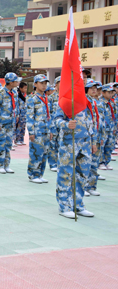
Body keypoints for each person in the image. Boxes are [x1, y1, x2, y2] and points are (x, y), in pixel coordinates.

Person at [53, 91, 95, 219]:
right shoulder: (65, 100)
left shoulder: (87, 101)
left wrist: (94, 140)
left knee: (82, 175)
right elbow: (56, 120)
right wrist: (66, 124)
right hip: (69, 142)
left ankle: (78, 204)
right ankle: (64, 206)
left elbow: (93, 121)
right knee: (66, 173)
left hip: (86, 142)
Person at [0, 73, 20, 174]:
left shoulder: (15, 93)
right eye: (16, 81)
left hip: (10, 122)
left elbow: (15, 106)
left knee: (8, 144)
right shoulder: (1, 93)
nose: (17, 83)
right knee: (0, 144)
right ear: (10, 82)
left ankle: (7, 165)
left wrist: (17, 116)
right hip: (2, 123)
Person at [26, 75, 52, 184]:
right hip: (37, 131)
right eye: (41, 83)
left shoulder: (47, 98)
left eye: (45, 83)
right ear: (35, 84)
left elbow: (49, 115)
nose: (44, 85)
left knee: (44, 153)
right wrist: (31, 132)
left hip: (46, 130)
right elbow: (30, 116)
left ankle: (40, 174)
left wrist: (50, 130)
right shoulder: (32, 98)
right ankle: (33, 174)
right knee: (36, 152)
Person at [85, 81, 105, 197]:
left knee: (94, 163)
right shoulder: (85, 101)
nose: (94, 90)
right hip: (88, 137)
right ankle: (85, 186)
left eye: (95, 88)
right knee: (86, 163)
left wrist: (101, 136)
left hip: (97, 136)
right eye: (91, 88)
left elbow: (100, 121)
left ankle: (92, 186)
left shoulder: (97, 101)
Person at [48, 77, 61, 172]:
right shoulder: (51, 98)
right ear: (56, 85)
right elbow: (48, 113)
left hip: (63, 125)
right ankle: (53, 163)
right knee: (53, 145)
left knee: (62, 144)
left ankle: (60, 162)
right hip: (53, 125)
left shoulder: (67, 97)